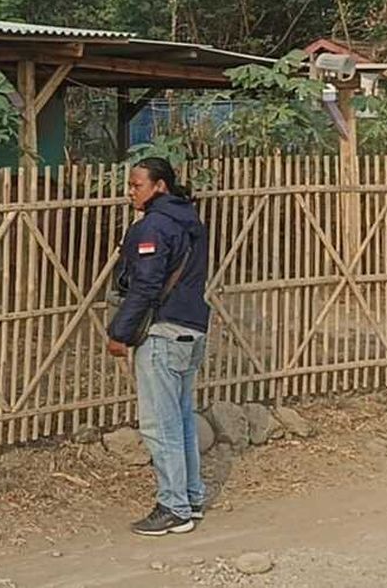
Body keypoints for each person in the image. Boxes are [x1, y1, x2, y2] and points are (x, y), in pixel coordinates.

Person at [106, 157, 210, 536]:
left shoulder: (154, 226)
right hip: (192, 329)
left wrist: (120, 332)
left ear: (159, 186)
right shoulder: (190, 220)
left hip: (164, 334)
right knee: (181, 419)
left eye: (137, 185)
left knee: (159, 424)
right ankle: (192, 497)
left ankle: (173, 507)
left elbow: (146, 286)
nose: (131, 191)